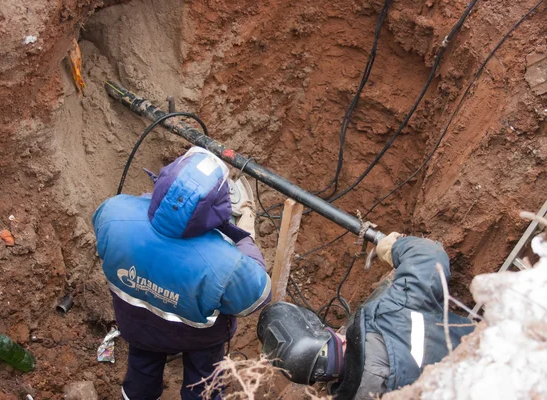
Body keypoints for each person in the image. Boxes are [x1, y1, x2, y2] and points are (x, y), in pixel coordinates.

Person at [93, 147, 271, 400]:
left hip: (137, 326)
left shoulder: (113, 213)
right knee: (203, 385)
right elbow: (257, 298)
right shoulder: (227, 264)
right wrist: (245, 240)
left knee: (142, 371)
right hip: (199, 340)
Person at [257, 233, 475, 399]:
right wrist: (392, 246)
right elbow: (430, 257)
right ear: (336, 337)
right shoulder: (392, 313)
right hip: (495, 358)